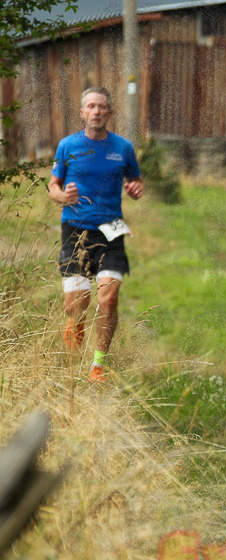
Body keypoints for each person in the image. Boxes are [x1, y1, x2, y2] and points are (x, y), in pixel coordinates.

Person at [48, 85, 144, 383]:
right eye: (91, 106)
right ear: (82, 112)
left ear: (109, 113)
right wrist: (62, 196)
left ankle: (98, 366)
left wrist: (135, 189)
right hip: (74, 229)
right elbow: (52, 186)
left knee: (109, 297)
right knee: (76, 304)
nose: (97, 111)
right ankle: (74, 321)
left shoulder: (123, 148)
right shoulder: (67, 146)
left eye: (102, 107)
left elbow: (136, 180)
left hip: (111, 231)